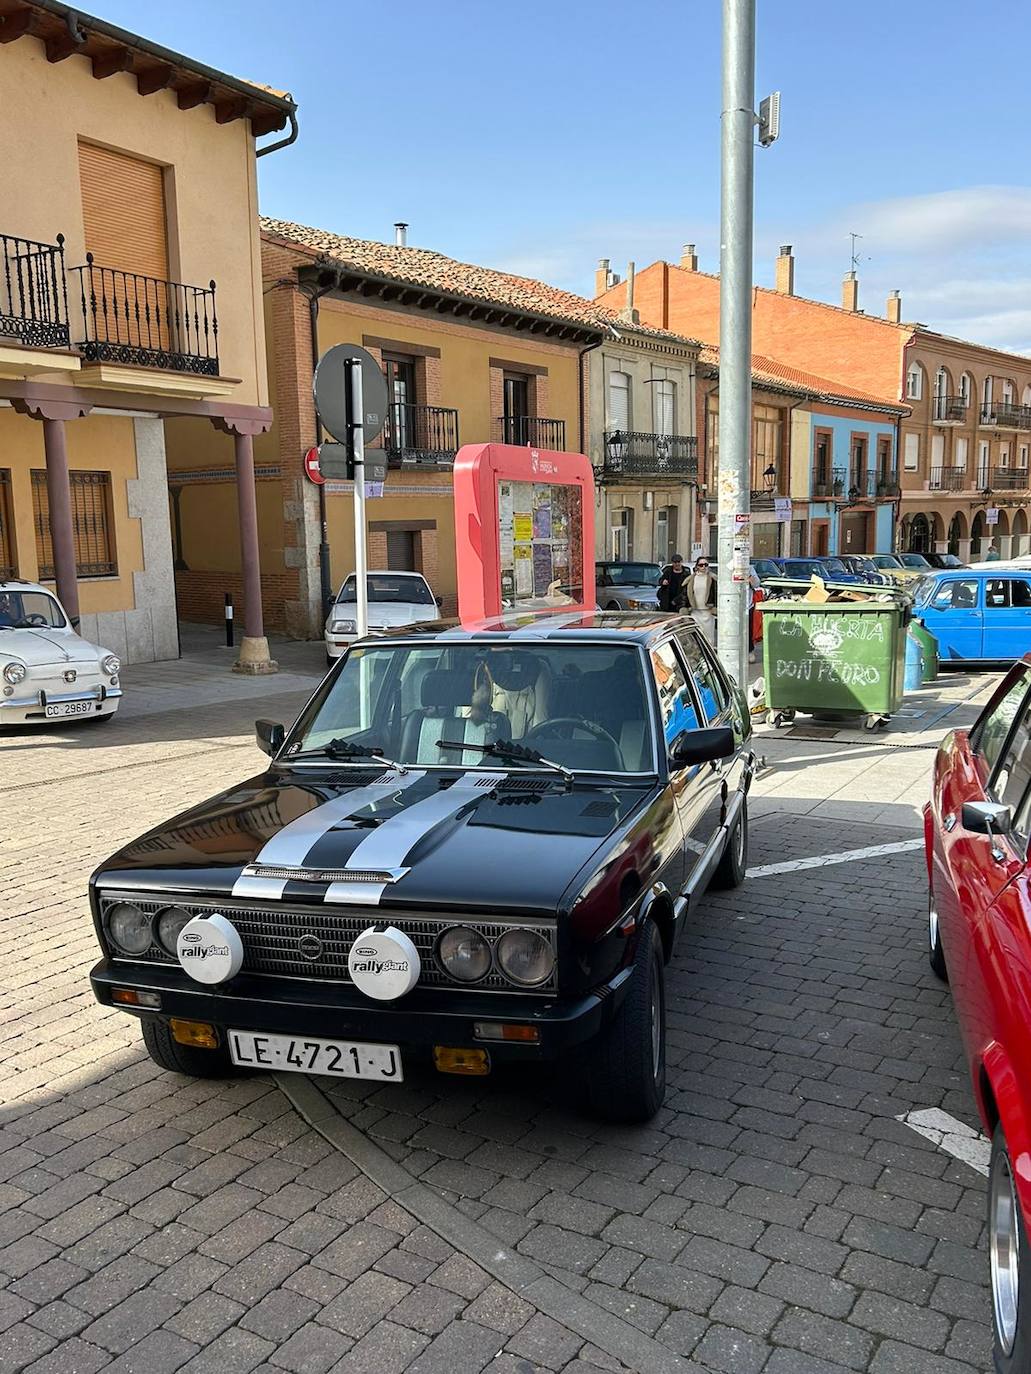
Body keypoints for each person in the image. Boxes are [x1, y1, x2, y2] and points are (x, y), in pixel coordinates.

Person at [684, 557, 717, 642]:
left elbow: (716, 593)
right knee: (696, 637)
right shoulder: (692, 578)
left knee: (709, 638)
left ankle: (709, 653)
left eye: (706, 565)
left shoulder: (712, 578)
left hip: (708, 612)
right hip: (695, 612)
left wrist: (714, 607)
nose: (703, 567)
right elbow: (687, 593)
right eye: (701, 565)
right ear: (697, 566)